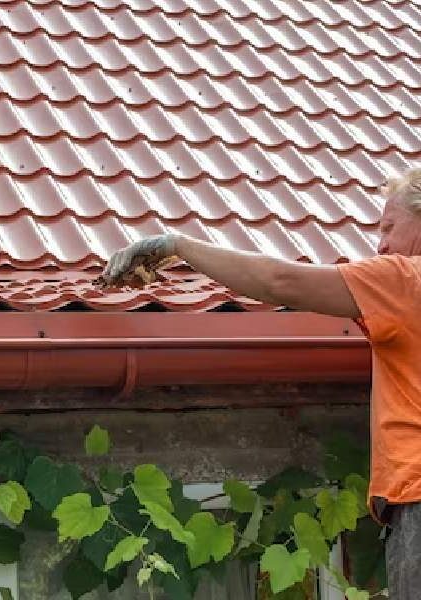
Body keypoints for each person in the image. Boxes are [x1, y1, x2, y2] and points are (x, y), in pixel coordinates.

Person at [101, 167, 421, 599]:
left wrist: (177, 245)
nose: (380, 244)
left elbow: (280, 280)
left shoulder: (406, 279)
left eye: (389, 227)